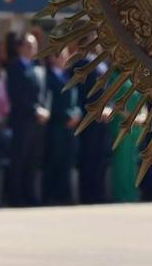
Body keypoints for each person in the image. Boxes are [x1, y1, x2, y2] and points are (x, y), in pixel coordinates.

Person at [4, 33, 50, 206]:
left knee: (33, 160)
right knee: (20, 159)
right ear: (20, 47)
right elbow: (17, 94)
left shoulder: (37, 66)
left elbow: (44, 92)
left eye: (35, 45)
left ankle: (30, 194)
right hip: (23, 120)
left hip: (38, 121)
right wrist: (34, 109)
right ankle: (16, 196)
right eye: (29, 45)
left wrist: (45, 109)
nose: (33, 49)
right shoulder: (15, 67)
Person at [73, 50, 112, 205]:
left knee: (100, 158)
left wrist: (108, 107)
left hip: (102, 119)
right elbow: (81, 93)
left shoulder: (102, 63)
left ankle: (99, 193)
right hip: (88, 119)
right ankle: (88, 194)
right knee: (88, 157)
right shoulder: (81, 63)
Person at [43, 48, 81, 205]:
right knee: (55, 161)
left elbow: (76, 100)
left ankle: (65, 195)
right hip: (56, 126)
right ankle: (53, 195)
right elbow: (50, 103)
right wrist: (66, 116)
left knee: (67, 161)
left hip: (70, 127)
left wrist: (77, 113)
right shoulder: (48, 78)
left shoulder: (68, 76)